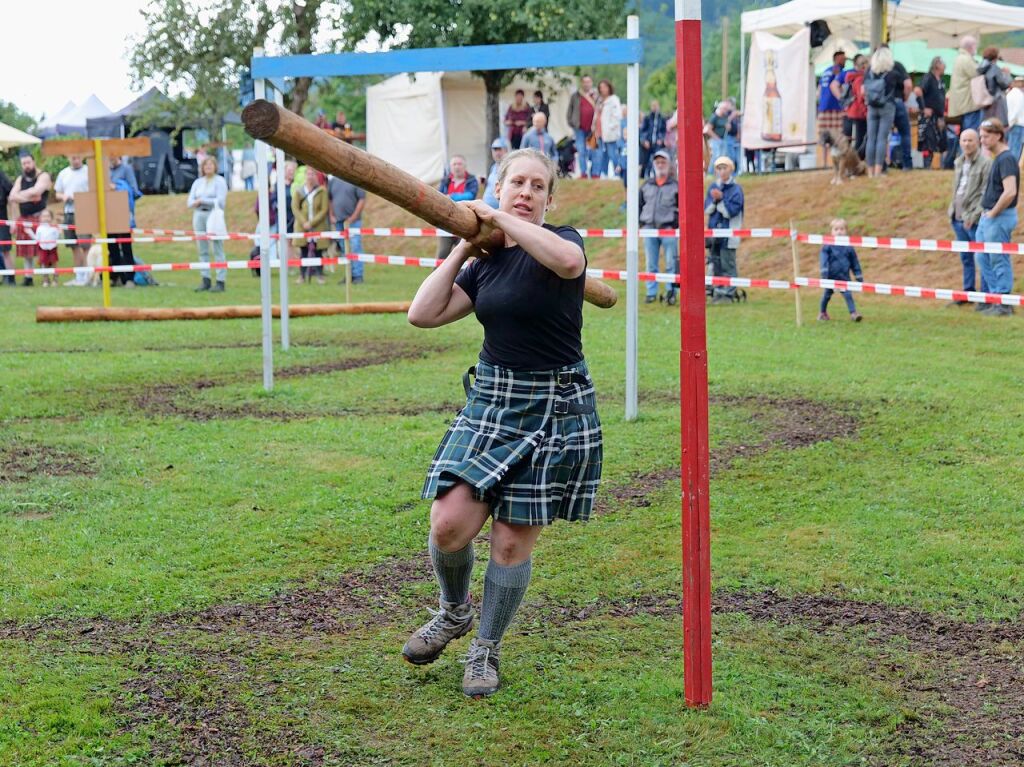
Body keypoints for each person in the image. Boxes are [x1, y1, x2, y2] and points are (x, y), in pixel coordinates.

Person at [405, 148, 601, 699]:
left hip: (555, 405)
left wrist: (501, 219)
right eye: (517, 182)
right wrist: (466, 241)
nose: (527, 192)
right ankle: (453, 613)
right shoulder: (485, 262)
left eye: (538, 186)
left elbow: (568, 265)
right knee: (448, 524)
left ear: (548, 199)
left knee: (512, 545)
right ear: (497, 185)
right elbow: (422, 313)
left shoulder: (562, 242)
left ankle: (485, 648)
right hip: (493, 402)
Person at [975, 118, 1017, 316]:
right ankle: (995, 298)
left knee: (998, 258)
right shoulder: (998, 158)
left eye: (986, 136)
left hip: (999, 216)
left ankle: (1004, 302)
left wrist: (993, 213)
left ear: (998, 135)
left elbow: (1010, 192)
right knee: (982, 257)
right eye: (981, 136)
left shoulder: (1006, 159)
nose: (982, 140)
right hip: (989, 216)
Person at [947, 128, 991, 304]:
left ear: (978, 142)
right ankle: (968, 292)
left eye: (970, 140)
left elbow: (985, 193)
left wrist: (974, 215)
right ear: (960, 142)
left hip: (974, 220)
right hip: (957, 218)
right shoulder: (958, 162)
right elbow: (957, 190)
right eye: (964, 140)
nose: (967, 144)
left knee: (982, 257)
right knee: (966, 258)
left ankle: (985, 295)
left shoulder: (986, 163)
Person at [639, 149, 679, 305]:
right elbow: (639, 204)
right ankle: (651, 292)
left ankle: (671, 291)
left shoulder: (676, 185)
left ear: (669, 165)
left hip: (668, 228)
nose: (660, 165)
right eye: (658, 162)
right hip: (649, 227)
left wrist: (675, 225)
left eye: (663, 162)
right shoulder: (646, 185)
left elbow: (681, 208)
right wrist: (641, 224)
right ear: (654, 165)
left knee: (671, 262)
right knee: (650, 263)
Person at [704, 156, 744, 304]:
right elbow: (707, 209)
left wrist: (721, 200)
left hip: (729, 233)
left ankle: (728, 293)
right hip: (714, 234)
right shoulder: (713, 188)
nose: (721, 172)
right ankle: (718, 291)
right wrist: (715, 200)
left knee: (728, 264)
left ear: (731, 169)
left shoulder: (736, 190)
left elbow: (731, 212)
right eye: (719, 169)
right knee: (716, 264)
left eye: (724, 168)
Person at [8, 153, 52, 287]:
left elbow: (37, 192)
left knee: (44, 249)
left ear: (34, 162)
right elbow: (11, 197)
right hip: (25, 218)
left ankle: (46, 277)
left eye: (28, 162)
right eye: (23, 163)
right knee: (27, 250)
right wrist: (29, 197)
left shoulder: (43, 176)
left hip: (40, 217)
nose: (26, 166)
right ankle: (28, 277)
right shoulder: (20, 179)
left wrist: (19, 196)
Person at [186, 156, 229, 292]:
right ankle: (205, 279)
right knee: (202, 249)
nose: (208, 167)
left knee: (217, 248)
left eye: (211, 164)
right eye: (206, 165)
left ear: (215, 166)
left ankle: (221, 280)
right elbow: (190, 202)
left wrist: (203, 200)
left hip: (213, 214)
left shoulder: (220, 181)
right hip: (199, 215)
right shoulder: (198, 182)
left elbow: (221, 201)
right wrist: (197, 202)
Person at [864, 46, 902, 178]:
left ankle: (869, 172)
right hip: (887, 106)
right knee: (882, 139)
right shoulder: (892, 74)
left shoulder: (869, 71)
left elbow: (864, 89)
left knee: (871, 138)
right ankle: (878, 171)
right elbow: (900, 89)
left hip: (871, 106)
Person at [54, 154, 91, 285]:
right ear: (68, 158)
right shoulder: (63, 173)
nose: (75, 160)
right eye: (72, 158)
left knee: (85, 244)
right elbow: (57, 192)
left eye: (77, 157)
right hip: (68, 212)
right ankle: (78, 275)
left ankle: (87, 274)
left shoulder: (88, 171)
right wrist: (64, 196)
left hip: (84, 211)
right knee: (73, 245)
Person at [817, 218, 864, 322]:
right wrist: (824, 271)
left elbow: (854, 262)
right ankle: (822, 313)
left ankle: (853, 313)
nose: (839, 232)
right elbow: (823, 258)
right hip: (830, 276)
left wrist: (858, 275)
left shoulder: (849, 247)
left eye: (842, 229)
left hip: (844, 276)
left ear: (846, 231)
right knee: (826, 295)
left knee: (848, 294)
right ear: (831, 232)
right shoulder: (827, 246)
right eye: (836, 229)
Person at [108, 154, 143, 287]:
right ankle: (114, 276)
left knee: (126, 247)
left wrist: (116, 187)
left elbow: (134, 191)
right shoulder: (104, 171)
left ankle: (129, 278)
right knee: (111, 247)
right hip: (108, 214)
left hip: (123, 214)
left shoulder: (126, 169)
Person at [436, 155, 478, 259]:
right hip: (446, 223)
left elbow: (470, 195)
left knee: (461, 257)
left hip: (464, 223)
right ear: (450, 167)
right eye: (454, 164)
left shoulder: (471, 180)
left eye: (459, 164)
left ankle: (461, 276)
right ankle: (435, 275)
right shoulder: (445, 180)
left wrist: (451, 197)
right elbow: (438, 197)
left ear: (464, 166)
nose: (457, 167)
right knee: (442, 254)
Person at [328, 171, 367, 284]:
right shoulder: (333, 180)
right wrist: (331, 215)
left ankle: (358, 276)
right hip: (339, 222)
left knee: (355, 247)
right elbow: (330, 198)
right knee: (344, 249)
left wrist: (354, 217)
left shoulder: (355, 179)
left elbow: (362, 199)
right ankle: (349, 275)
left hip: (353, 222)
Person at [294, 169, 330, 284]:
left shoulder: (322, 191)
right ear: (305, 175)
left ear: (316, 176)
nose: (310, 177)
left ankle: (320, 275)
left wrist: (312, 222)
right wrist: (304, 222)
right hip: (302, 226)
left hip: (317, 226)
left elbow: (324, 209)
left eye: (313, 174)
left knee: (319, 252)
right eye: (308, 174)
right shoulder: (299, 191)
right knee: (303, 252)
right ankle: (302, 276)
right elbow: (295, 208)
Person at [915, 57, 948, 169]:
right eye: (943, 64)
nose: (945, 67)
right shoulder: (928, 78)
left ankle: (940, 166)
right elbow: (918, 91)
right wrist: (924, 108)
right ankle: (926, 166)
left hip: (938, 116)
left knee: (939, 142)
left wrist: (942, 116)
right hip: (928, 115)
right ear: (937, 65)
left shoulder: (941, 81)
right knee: (927, 142)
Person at [818, 50, 849, 159]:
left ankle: (824, 161)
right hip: (835, 107)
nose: (845, 60)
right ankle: (835, 160)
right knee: (837, 136)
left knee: (824, 136)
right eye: (843, 58)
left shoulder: (825, 71)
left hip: (823, 107)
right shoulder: (837, 70)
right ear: (837, 59)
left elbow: (819, 89)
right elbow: (838, 86)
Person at [949, 36, 982, 134]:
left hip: (962, 102)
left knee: (965, 131)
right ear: (971, 46)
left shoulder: (959, 58)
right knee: (970, 132)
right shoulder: (966, 59)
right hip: (968, 103)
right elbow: (977, 74)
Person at [566, 74, 597, 178]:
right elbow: (569, 111)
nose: (586, 84)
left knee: (593, 151)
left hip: (592, 129)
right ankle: (583, 173)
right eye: (585, 82)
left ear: (591, 83)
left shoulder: (595, 95)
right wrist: (572, 123)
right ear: (582, 83)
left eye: (588, 82)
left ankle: (594, 173)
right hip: (579, 129)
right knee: (581, 150)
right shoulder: (576, 95)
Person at [592, 79, 622, 179]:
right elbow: (597, 114)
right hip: (599, 132)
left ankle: (617, 174)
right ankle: (603, 173)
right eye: (601, 87)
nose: (603, 89)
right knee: (602, 154)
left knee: (612, 153)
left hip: (609, 132)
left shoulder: (614, 100)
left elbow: (617, 116)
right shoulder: (600, 100)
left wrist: (611, 127)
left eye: (605, 87)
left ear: (609, 88)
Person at [25, 208, 60, 286]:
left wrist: (58, 231)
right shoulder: (39, 228)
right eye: (44, 216)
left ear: (51, 217)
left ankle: (55, 280)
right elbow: (37, 238)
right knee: (44, 264)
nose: (46, 218)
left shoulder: (53, 227)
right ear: (40, 218)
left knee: (54, 263)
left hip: (52, 248)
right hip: (43, 248)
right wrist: (30, 232)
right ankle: (46, 280)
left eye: (48, 216)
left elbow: (57, 237)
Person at [843, 54, 869, 159]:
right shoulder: (860, 79)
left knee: (859, 138)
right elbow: (861, 97)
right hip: (859, 113)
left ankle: (856, 160)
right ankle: (857, 161)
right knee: (861, 139)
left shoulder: (853, 77)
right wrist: (866, 112)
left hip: (853, 111)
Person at [978, 47, 1013, 126]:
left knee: (986, 125)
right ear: (996, 56)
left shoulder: (980, 68)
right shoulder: (994, 68)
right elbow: (1004, 84)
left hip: (984, 101)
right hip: (996, 102)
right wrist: (1007, 74)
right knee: (997, 126)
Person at [640, 99, 667, 177]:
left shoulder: (661, 118)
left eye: (656, 106)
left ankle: (656, 174)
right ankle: (645, 175)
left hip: (657, 143)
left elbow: (663, 130)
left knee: (657, 158)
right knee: (646, 160)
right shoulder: (648, 118)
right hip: (648, 142)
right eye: (653, 106)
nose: (654, 108)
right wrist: (644, 140)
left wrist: (661, 139)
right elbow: (643, 130)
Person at [482, 137, 508, 207]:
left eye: (499, 149)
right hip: (487, 208)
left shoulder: (509, 167)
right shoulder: (493, 167)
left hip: (499, 211)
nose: (497, 153)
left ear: (506, 150)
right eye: (495, 150)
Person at [0, 167, 15, 285]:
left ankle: (10, 278)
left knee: (5, 250)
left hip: (3, 220)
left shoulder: (2, 177)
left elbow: (12, 199)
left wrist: (13, 220)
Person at [1006, 76, 1024, 161]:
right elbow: (1017, 110)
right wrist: (1011, 122)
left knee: (1011, 146)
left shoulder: (1010, 93)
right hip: (1018, 124)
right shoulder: (1019, 94)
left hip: (1012, 123)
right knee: (1016, 148)